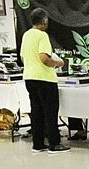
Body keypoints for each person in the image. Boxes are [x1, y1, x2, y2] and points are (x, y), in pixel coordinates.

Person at [20, 8, 69, 154]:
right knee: (50, 112)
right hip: (45, 79)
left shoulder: (26, 35)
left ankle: (38, 143)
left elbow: (23, 57)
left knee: (36, 111)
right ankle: (54, 144)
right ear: (44, 21)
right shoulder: (42, 36)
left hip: (29, 77)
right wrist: (57, 63)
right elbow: (44, 57)